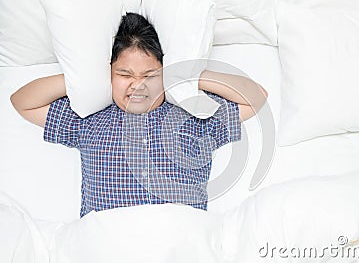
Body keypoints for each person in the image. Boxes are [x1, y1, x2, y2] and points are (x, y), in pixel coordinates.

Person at [10, 12, 268, 218]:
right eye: (125, 75)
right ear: (109, 74)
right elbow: (23, 102)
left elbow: (256, 97)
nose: (138, 85)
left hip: (179, 239)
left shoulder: (193, 118)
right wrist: (86, 80)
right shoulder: (90, 121)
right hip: (107, 240)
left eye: (150, 75)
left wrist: (188, 75)